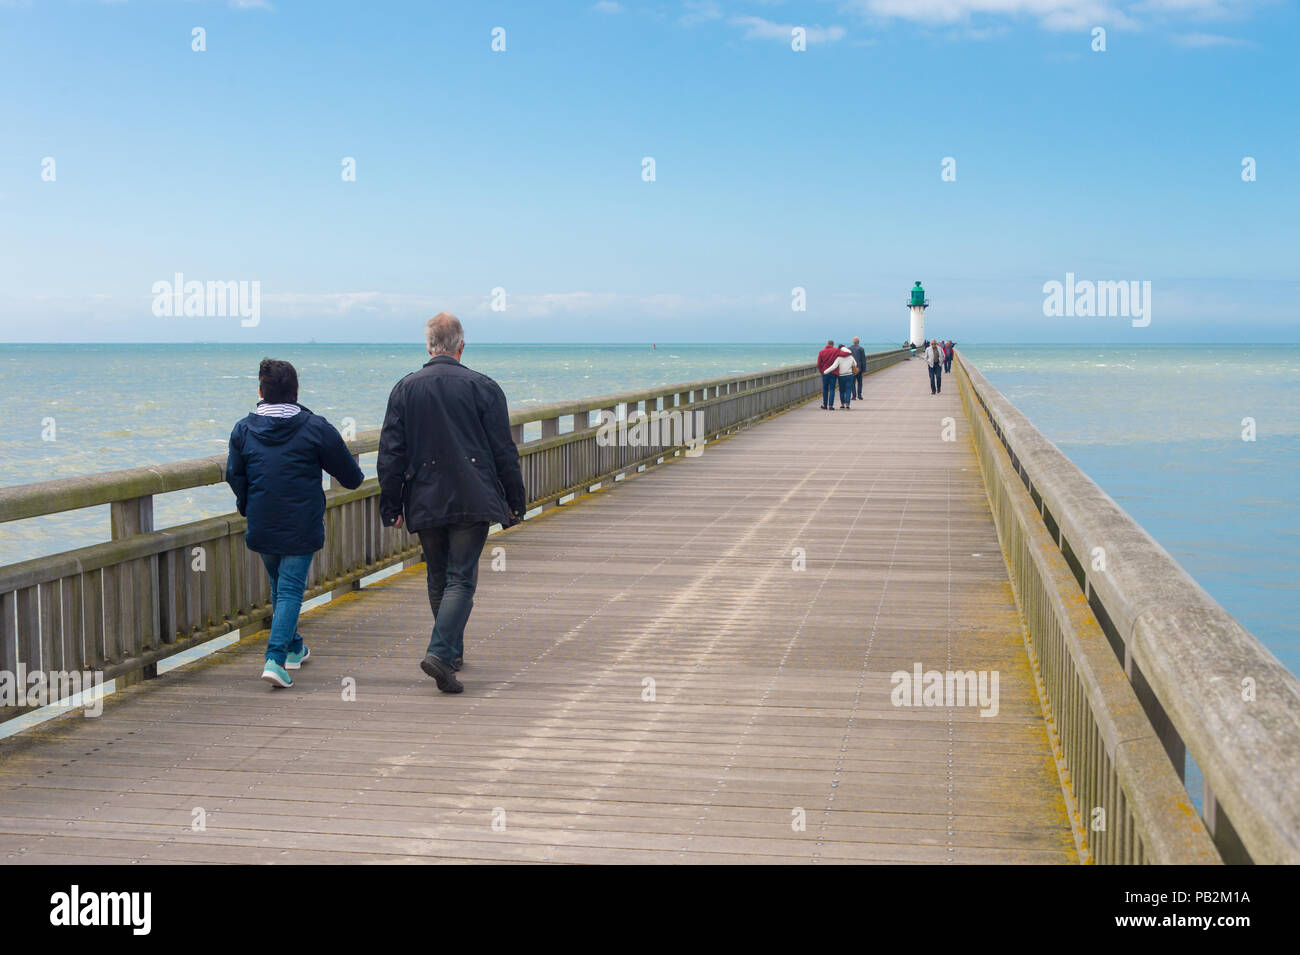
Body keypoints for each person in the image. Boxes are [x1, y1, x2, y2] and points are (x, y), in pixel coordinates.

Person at [378, 313, 526, 694]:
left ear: (428, 346)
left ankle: (451, 653)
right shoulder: (484, 387)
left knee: (438, 574)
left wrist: (391, 504)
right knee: (461, 577)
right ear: (462, 345)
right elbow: (504, 452)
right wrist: (515, 500)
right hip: (473, 494)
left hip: (425, 496)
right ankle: (442, 654)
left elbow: (391, 453)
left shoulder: (405, 389)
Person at [226, 358, 364, 688]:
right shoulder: (315, 427)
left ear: (260, 390)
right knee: (288, 592)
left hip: (262, 522)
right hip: (301, 525)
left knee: (280, 588)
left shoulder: (243, 430)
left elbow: (234, 474)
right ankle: (274, 659)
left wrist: (247, 505)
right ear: (296, 391)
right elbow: (350, 477)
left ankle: (294, 647)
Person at [816, 339, 841, 410]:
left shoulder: (821, 352)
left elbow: (818, 364)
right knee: (832, 389)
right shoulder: (836, 350)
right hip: (833, 372)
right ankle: (831, 405)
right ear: (833, 345)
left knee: (825, 389)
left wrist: (822, 371)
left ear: (827, 344)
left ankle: (824, 404)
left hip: (825, 373)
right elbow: (844, 354)